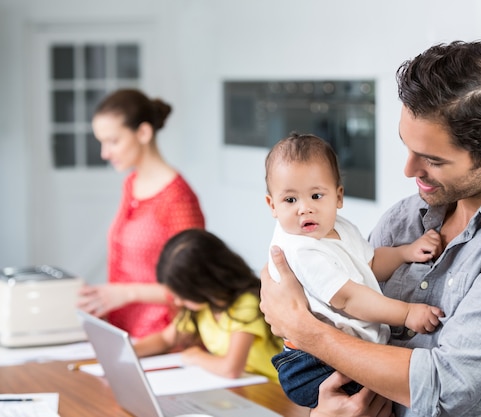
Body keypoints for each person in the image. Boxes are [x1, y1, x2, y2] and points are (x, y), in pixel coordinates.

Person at [259, 40, 481, 417]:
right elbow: (346, 322)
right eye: (407, 145)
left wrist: (304, 330)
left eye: (433, 160)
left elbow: (444, 387)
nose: (409, 170)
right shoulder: (406, 218)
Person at [264, 132, 444, 408]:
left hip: (335, 350)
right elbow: (348, 298)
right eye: (290, 200)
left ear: (338, 197)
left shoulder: (339, 228)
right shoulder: (301, 249)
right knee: (386, 395)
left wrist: (405, 252)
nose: (305, 209)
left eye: (316, 195)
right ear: (272, 205)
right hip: (310, 364)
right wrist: (406, 313)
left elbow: (369, 266)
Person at [78, 88, 206, 338]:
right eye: (101, 142)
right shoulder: (131, 184)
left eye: (113, 141)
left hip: (163, 339)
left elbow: (195, 288)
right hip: (122, 332)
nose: (105, 153)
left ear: (143, 133)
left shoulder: (177, 199)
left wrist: (125, 293)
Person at [132, 228, 282, 381]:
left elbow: (231, 369)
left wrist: (197, 356)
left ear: (205, 284)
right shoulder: (201, 307)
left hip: (276, 391)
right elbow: (165, 339)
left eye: (182, 295)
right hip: (246, 386)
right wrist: (128, 352)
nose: (177, 301)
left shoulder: (246, 303)